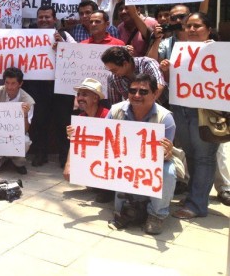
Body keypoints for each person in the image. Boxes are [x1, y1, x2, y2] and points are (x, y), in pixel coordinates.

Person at [160, 13, 218, 219]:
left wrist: (215, 51)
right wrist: (166, 70)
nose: (192, 30)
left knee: (204, 157)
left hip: (207, 112)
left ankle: (197, 205)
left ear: (208, 29)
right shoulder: (180, 52)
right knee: (191, 155)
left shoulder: (219, 51)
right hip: (181, 109)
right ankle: (195, 196)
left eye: (197, 26)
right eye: (188, 26)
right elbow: (173, 82)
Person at [106, 74, 176, 235]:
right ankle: (133, 205)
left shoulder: (165, 118)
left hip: (153, 163)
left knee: (168, 171)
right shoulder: (116, 110)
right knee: (120, 209)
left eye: (143, 92)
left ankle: (157, 215)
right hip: (122, 161)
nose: (137, 95)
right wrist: (77, 136)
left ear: (154, 94)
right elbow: (102, 140)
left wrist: (168, 151)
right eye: (132, 91)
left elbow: (162, 156)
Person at [24, 5, 75, 167]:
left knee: (62, 122)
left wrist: (64, 46)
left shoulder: (65, 35)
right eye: (41, 17)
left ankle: (63, 156)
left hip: (61, 87)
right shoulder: (28, 36)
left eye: (47, 17)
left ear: (54, 19)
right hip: (38, 88)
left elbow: (78, 55)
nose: (44, 20)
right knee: (39, 121)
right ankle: (40, 154)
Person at [63, 78, 113, 202]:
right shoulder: (81, 118)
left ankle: (109, 190)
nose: (79, 98)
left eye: (84, 95)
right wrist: (68, 165)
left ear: (96, 98)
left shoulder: (108, 116)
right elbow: (75, 144)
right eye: (78, 94)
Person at [101, 45, 165, 104]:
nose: (113, 73)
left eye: (114, 70)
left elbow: (159, 86)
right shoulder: (112, 78)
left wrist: (141, 104)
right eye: (110, 70)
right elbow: (115, 104)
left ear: (125, 63)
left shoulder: (147, 64)